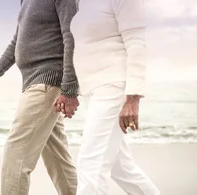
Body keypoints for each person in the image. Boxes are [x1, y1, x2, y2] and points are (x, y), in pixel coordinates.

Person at [0, 0, 80, 194]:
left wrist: (69, 89)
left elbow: (71, 36)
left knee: (16, 155)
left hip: (47, 82)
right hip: (34, 82)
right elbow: (17, 40)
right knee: (58, 159)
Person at [67, 0, 160, 194]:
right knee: (122, 168)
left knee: (91, 163)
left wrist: (133, 99)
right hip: (92, 91)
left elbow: (136, 45)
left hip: (112, 87)